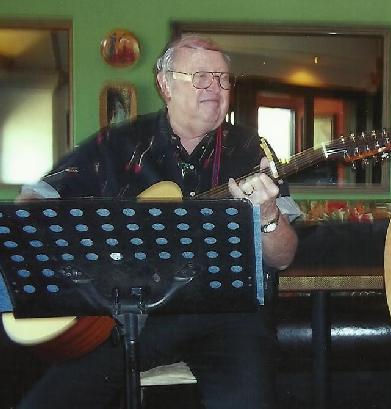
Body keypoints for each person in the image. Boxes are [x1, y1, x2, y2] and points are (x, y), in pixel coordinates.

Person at [15, 34, 299, 409]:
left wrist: (266, 214)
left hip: (227, 316)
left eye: (223, 78)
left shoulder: (252, 149)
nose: (215, 87)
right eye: (201, 77)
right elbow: (33, 202)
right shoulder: (118, 143)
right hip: (130, 314)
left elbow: (283, 257)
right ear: (165, 84)